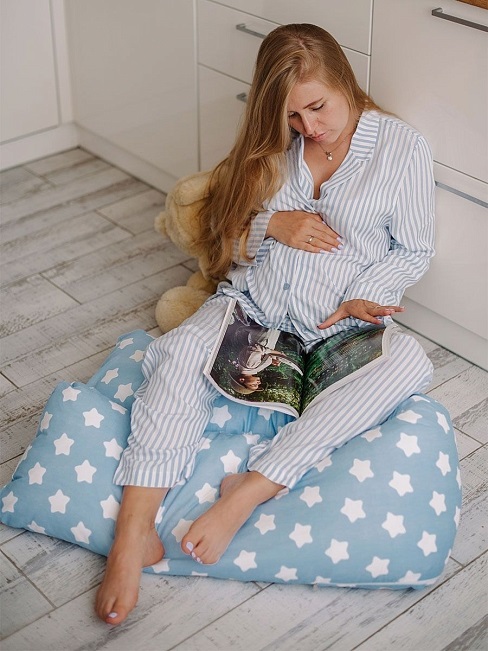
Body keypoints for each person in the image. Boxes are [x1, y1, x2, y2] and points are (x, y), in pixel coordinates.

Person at [96, 23, 435, 625]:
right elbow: (223, 236)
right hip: (255, 308)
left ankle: (250, 489)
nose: (309, 127)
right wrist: (270, 226)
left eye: (318, 107)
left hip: (336, 327)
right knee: (179, 352)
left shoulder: (400, 147)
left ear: (345, 82)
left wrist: (366, 296)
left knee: (408, 363)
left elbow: (413, 250)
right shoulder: (272, 145)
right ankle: (134, 529)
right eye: (292, 115)